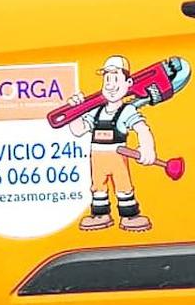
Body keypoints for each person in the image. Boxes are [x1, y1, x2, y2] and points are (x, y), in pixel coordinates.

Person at [66, 56, 158, 232]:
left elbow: (142, 129)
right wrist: (74, 111)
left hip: (118, 157)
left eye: (115, 78)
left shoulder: (127, 111)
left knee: (124, 188)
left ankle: (130, 216)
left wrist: (147, 148)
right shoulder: (96, 111)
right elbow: (78, 130)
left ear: (128, 82)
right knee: (98, 188)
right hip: (97, 159)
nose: (110, 84)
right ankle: (101, 215)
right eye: (107, 79)